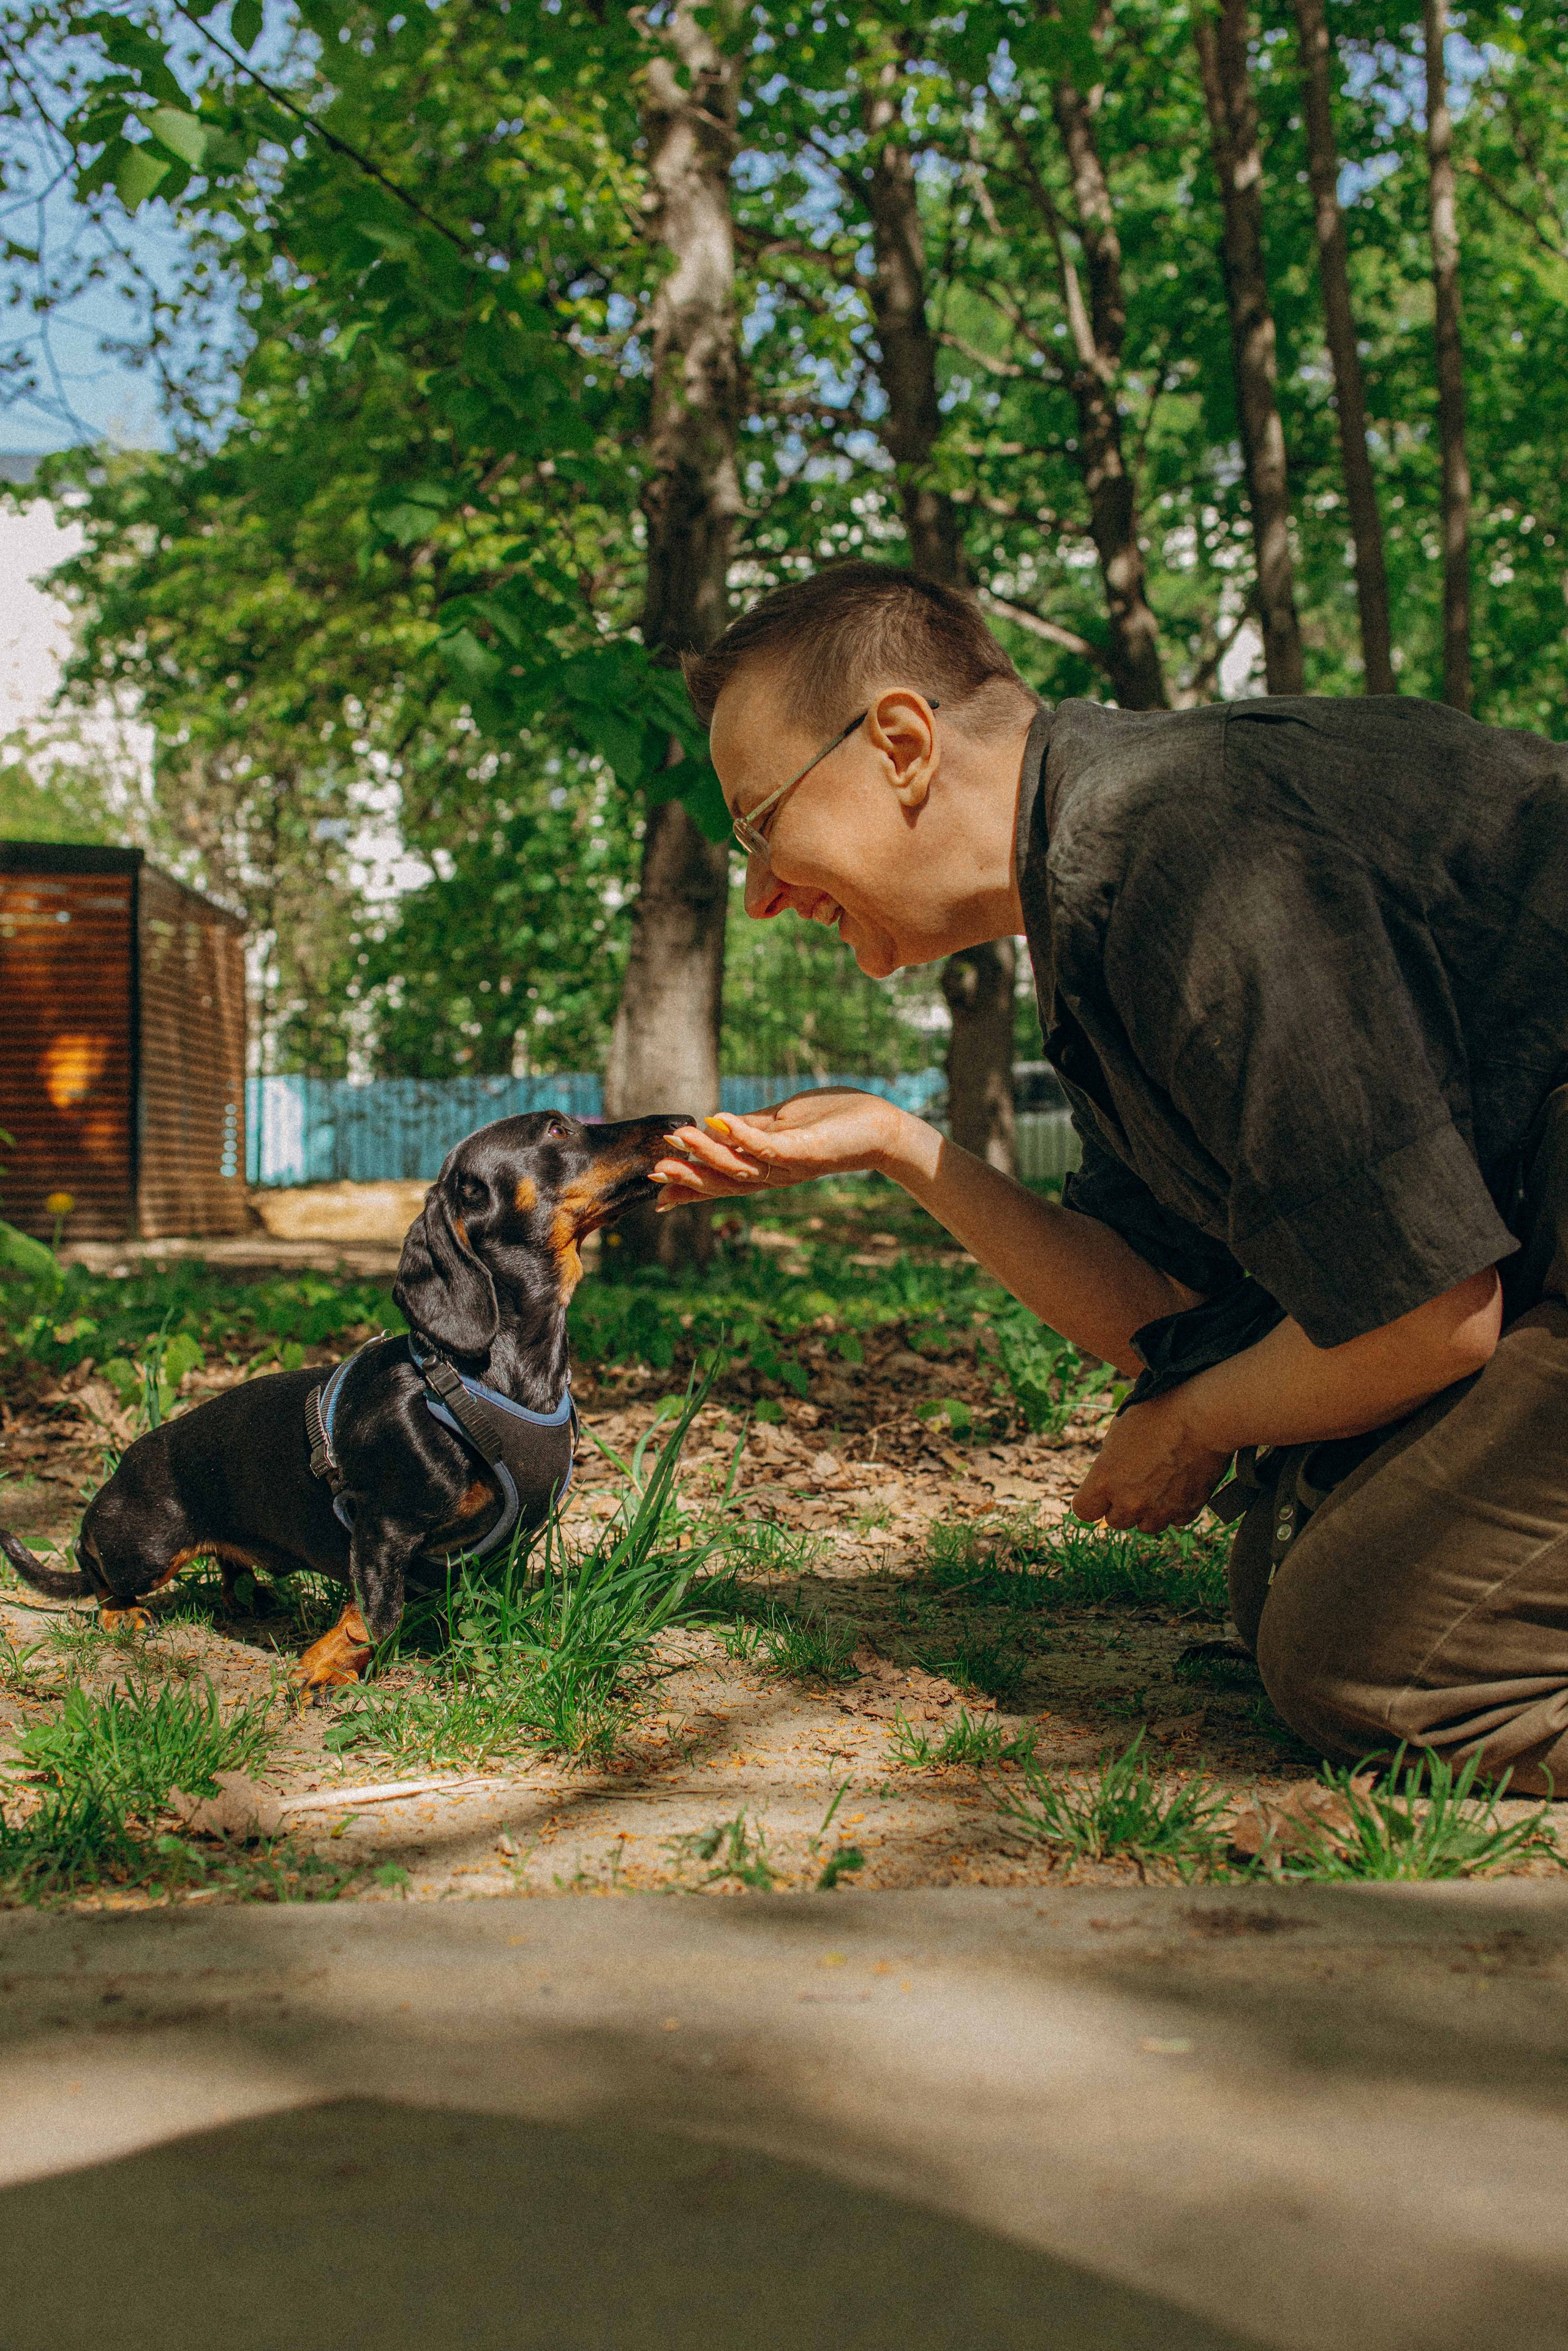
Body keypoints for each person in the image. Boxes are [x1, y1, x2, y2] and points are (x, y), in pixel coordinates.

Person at [653, 560, 1568, 1794]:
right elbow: (1165, 1304)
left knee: (1381, 1648)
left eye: (760, 825)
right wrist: (896, 1143)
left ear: (902, 743)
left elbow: (1423, 1317)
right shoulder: (1096, 887)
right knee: (1289, 1575)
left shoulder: (1183, 846)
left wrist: (1192, 1424)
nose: (760, 892)